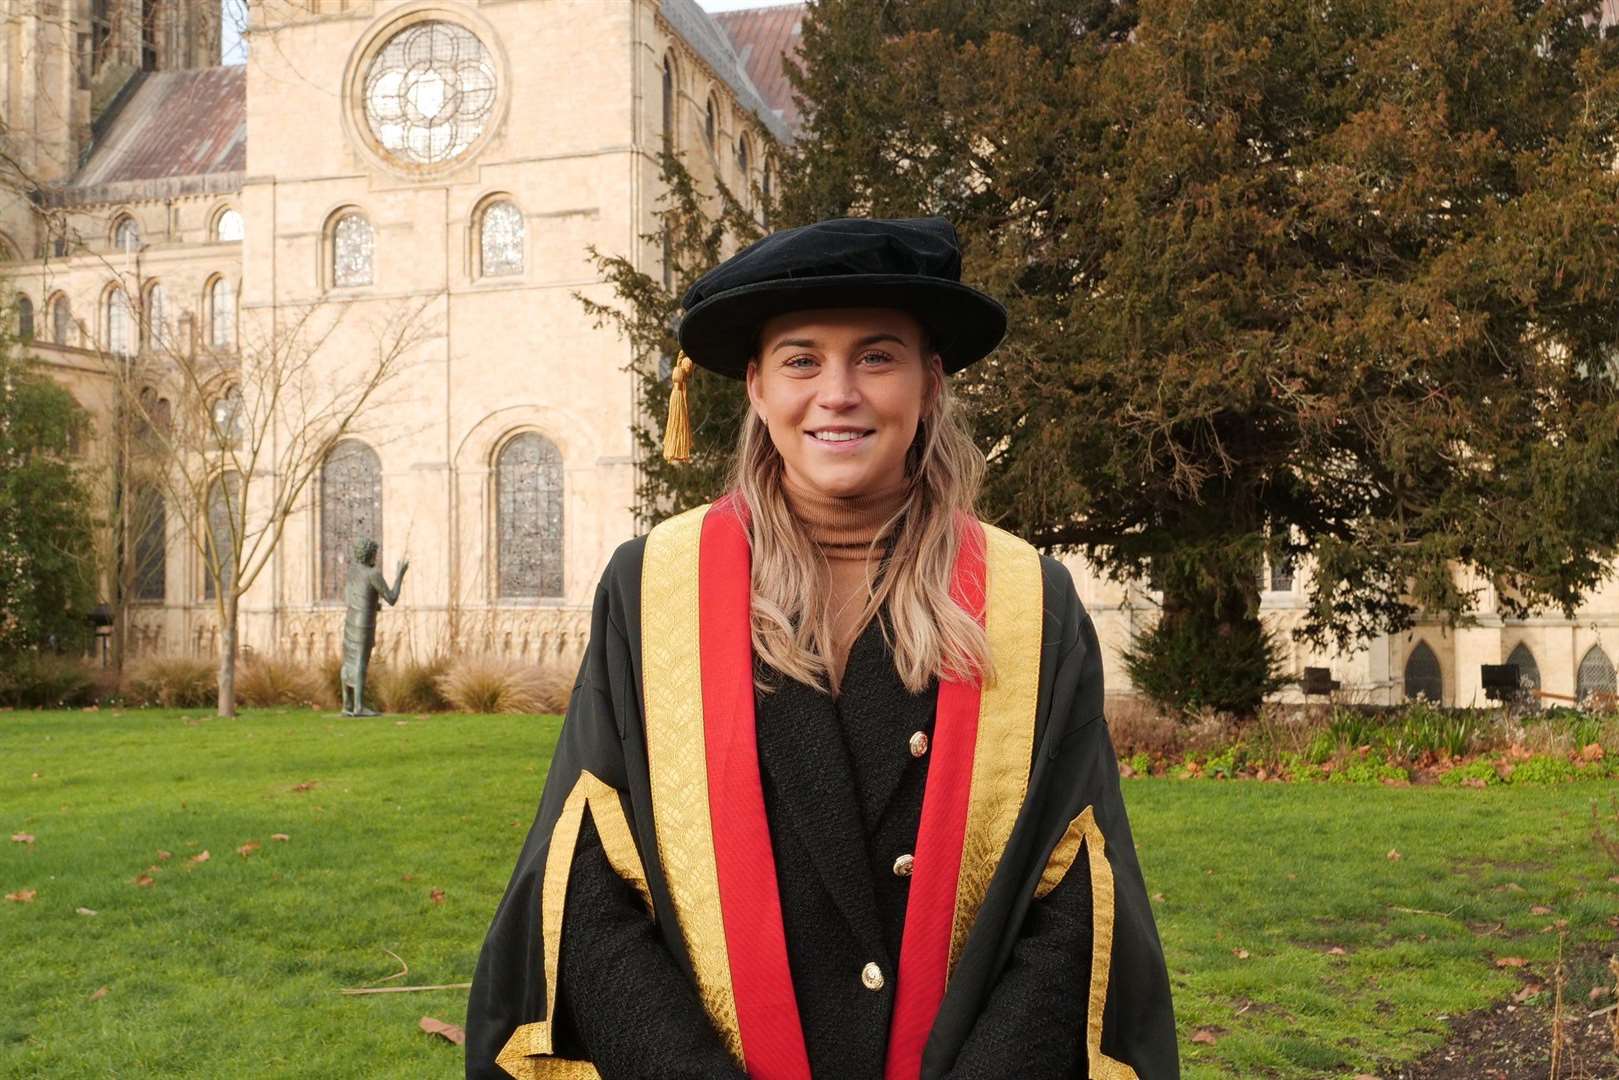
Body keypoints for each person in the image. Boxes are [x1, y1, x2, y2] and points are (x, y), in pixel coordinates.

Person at [465, 217, 1179, 1080]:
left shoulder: (1029, 601)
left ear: (929, 381)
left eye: (876, 357)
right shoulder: (655, 588)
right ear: (758, 387)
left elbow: (1074, 900)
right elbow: (584, 882)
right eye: (801, 359)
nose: (836, 392)